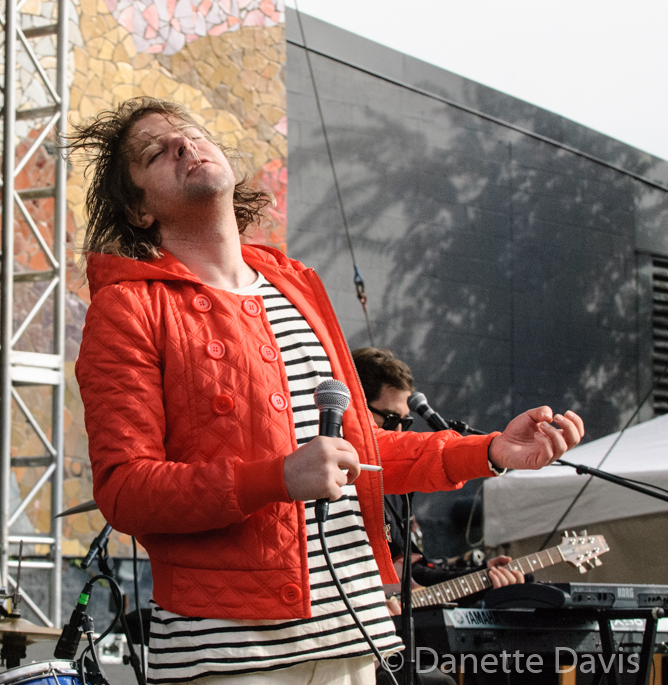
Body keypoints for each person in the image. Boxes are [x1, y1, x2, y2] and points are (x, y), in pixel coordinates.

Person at [67, 97, 584, 685]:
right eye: (155, 151)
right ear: (138, 210)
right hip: (229, 655)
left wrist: (490, 452)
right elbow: (125, 489)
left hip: (354, 638)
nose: (183, 145)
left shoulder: (299, 286)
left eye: (188, 133)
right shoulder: (128, 308)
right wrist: (278, 477)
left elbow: (357, 453)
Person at [351, 347, 525, 596]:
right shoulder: (330, 476)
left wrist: (480, 577)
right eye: (390, 419)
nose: (399, 430)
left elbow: (413, 573)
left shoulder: (399, 485)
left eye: (406, 421)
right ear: (355, 410)